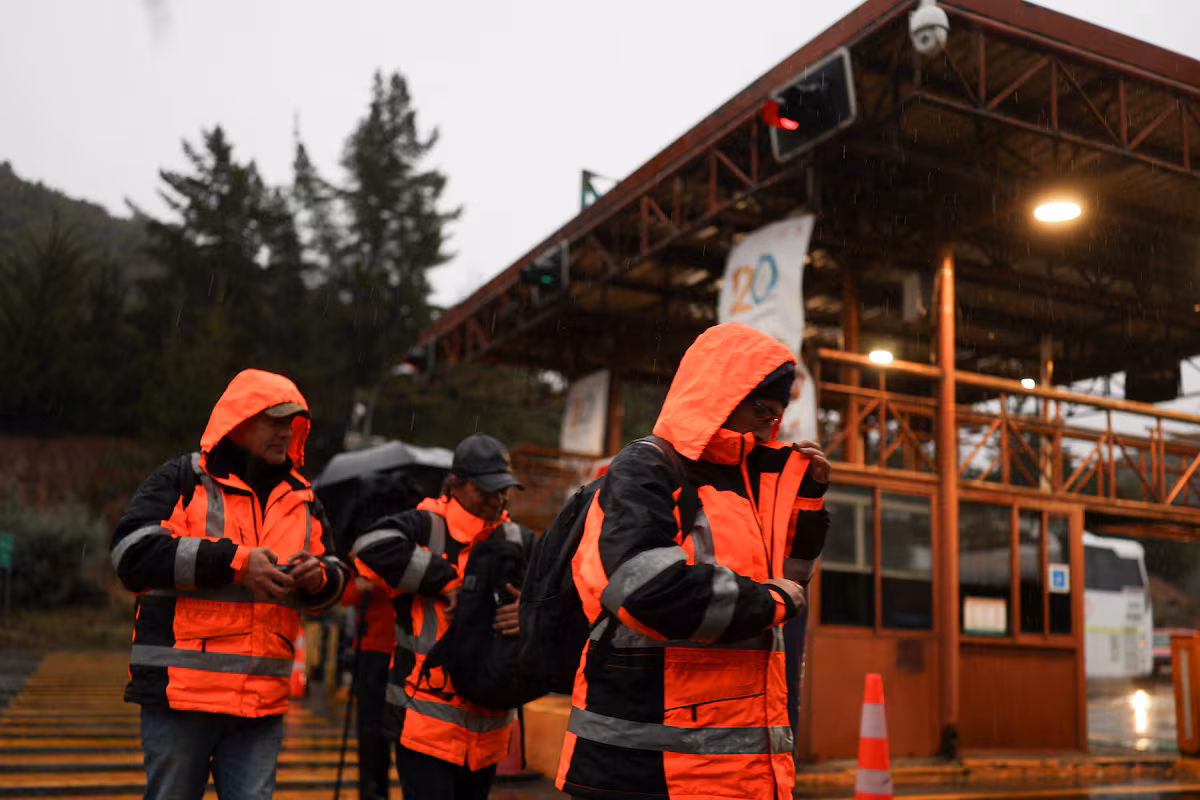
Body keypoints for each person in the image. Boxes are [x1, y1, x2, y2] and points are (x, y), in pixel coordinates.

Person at [556, 321, 832, 800]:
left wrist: (807, 500)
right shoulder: (647, 468)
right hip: (642, 771)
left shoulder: (749, 482)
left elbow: (793, 580)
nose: (768, 429)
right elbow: (646, 590)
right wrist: (770, 603)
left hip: (734, 773)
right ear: (722, 397)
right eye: (761, 411)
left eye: (775, 417)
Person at [109, 368, 350, 800]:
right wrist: (237, 562)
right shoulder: (183, 479)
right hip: (182, 698)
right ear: (238, 421)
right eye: (274, 421)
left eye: (292, 422)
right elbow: (132, 554)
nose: (285, 432)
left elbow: (334, 576)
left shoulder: (304, 499)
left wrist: (319, 577)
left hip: (261, 704)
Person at [351, 432, 533, 800]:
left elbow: (559, 600)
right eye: (485, 489)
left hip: (488, 727)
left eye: (503, 489)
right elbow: (368, 546)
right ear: (455, 485)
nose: (497, 499)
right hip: (424, 726)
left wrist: (529, 611)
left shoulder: (519, 540)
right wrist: (444, 580)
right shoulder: (424, 526)